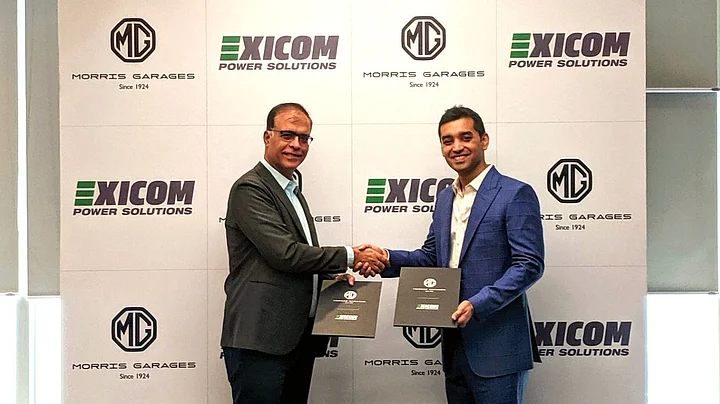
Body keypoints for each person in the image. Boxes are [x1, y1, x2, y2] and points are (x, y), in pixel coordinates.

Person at [357, 106, 544, 404]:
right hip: (454, 348)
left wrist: (478, 303)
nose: (456, 147)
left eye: (465, 137)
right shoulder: (445, 198)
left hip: (497, 347)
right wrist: (385, 257)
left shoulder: (515, 193)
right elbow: (431, 257)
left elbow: (529, 265)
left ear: (484, 140)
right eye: (448, 140)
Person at [221, 102, 387, 404]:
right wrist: (351, 255)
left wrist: (330, 277)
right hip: (261, 339)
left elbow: (297, 258)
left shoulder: (292, 189)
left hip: (296, 338)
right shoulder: (250, 188)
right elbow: (284, 254)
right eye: (287, 135)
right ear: (267, 137)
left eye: (304, 138)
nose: (296, 144)